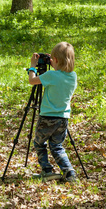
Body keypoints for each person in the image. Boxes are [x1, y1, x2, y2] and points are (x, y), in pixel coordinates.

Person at [27, 42, 78, 182]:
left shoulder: (50, 75)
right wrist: (55, 62)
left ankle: (47, 170)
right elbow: (60, 74)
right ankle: (69, 172)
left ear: (55, 60)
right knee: (56, 146)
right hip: (63, 118)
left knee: (39, 143)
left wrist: (33, 66)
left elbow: (32, 81)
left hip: (47, 117)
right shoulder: (73, 76)